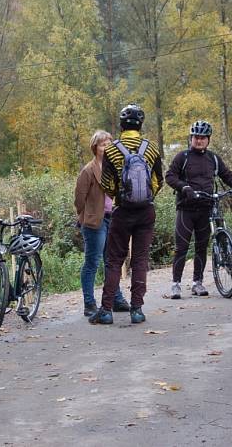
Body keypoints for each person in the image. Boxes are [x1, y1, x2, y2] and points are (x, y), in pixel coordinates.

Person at [90, 104, 163, 325]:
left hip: (122, 212)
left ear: (121, 125)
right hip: (146, 212)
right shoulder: (151, 149)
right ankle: (137, 310)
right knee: (140, 260)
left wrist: (121, 196)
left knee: (114, 261)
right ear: (141, 125)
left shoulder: (112, 150)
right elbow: (159, 181)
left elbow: (106, 185)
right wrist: (145, 196)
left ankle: (106, 311)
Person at [164, 120, 232, 299]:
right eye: (196, 137)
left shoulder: (214, 159)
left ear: (208, 140)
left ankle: (197, 283)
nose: (199, 141)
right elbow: (170, 176)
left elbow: (227, 175)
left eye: (202, 138)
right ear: (191, 138)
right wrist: (184, 188)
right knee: (181, 248)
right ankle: (176, 284)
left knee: (202, 247)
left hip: (206, 207)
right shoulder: (182, 157)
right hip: (186, 209)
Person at [74, 130, 131, 317]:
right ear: (95, 147)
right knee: (92, 262)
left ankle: (116, 298)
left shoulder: (114, 167)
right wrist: (84, 216)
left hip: (112, 218)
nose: (106, 147)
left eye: (108, 143)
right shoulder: (88, 170)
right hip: (94, 222)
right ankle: (89, 303)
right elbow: (79, 198)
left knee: (111, 261)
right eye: (102, 144)